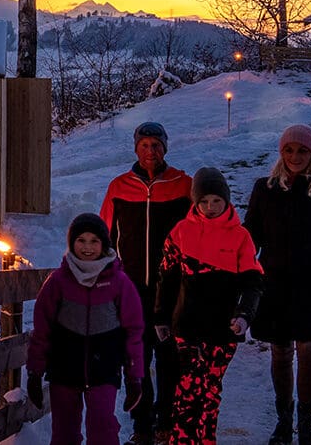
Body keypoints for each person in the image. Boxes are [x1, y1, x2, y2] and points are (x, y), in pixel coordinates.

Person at [246, 125, 311, 445]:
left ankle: (306, 424)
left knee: (308, 351)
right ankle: (283, 420)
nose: (295, 156)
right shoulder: (264, 189)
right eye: (289, 150)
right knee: (280, 353)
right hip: (274, 286)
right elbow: (249, 239)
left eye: (302, 151)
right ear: (281, 153)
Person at [154, 168, 262, 444]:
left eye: (216, 201)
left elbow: (253, 283)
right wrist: (161, 317)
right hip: (187, 325)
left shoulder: (240, 237)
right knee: (188, 389)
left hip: (223, 328)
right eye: (204, 201)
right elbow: (166, 278)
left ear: (226, 201)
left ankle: (206, 440)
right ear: (195, 202)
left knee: (210, 390)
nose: (210, 207)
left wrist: (244, 315)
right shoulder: (180, 232)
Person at [100, 121, 192, 443]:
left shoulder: (184, 185)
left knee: (169, 358)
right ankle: (142, 425)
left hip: (172, 289)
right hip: (133, 289)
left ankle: (166, 420)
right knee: (136, 358)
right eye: (144, 145)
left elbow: (200, 232)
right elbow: (104, 239)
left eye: (156, 145)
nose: (150, 151)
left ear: (165, 147)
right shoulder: (119, 187)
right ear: (135, 149)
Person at [27, 213, 147, 445]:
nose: (88, 247)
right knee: (64, 434)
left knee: (103, 429)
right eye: (81, 240)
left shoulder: (119, 283)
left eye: (94, 241)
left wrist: (135, 377)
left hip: (104, 369)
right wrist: (35, 371)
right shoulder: (58, 281)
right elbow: (42, 330)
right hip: (64, 369)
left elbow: (133, 332)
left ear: (104, 244)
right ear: (71, 243)